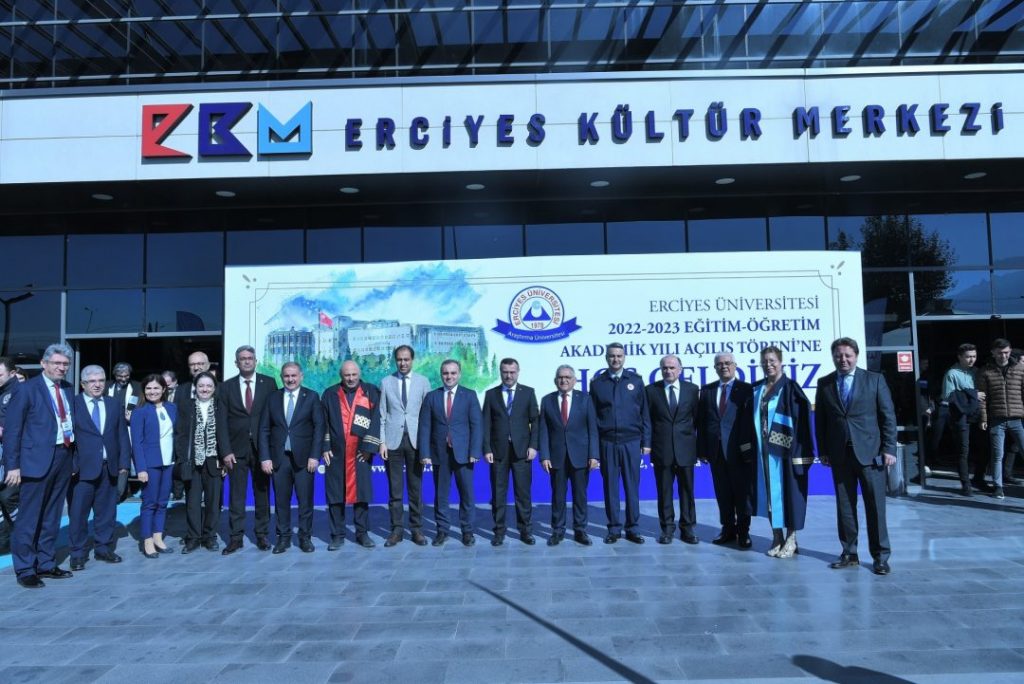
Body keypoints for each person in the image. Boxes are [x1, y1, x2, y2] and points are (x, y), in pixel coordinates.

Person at [816, 337, 898, 576]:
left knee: (875, 508)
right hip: (840, 455)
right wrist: (823, 450)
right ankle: (849, 553)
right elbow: (821, 421)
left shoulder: (874, 380)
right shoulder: (825, 383)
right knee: (845, 507)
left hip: (871, 455)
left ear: (856, 356)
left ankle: (880, 557)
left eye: (847, 355)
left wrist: (889, 448)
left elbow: (888, 417)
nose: (843, 360)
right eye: (838, 356)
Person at [3, 343, 77, 588]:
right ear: (44, 364)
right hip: (34, 461)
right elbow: (12, 430)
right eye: (56, 363)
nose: (61, 368)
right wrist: (13, 466)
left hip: (63, 455)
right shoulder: (26, 389)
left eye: (65, 364)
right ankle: (25, 568)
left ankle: (46, 563)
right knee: (29, 517)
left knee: (52, 515)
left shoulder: (67, 388)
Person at [746, 346, 814, 559]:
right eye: (765, 361)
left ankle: (791, 538)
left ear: (781, 362)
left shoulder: (791, 388)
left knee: (790, 495)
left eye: (772, 360)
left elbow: (802, 425)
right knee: (769, 495)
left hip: (786, 452)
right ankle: (776, 536)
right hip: (763, 453)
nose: (768, 365)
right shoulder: (757, 389)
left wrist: (800, 453)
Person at [68, 365, 131, 570]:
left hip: (108, 468)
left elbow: (122, 435)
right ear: (83, 384)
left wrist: (123, 464)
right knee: (78, 514)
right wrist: (72, 465)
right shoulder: (73, 404)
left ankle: (103, 548)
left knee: (106, 513)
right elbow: (67, 437)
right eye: (92, 381)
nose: (97, 385)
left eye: (101, 381)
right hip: (81, 470)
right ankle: (77, 553)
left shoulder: (113, 404)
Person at [259, 362, 324, 553]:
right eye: (286, 376)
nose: (290, 379)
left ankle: (305, 538)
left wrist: (315, 456)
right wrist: (265, 457)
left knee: (305, 501)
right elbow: (264, 429)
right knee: (281, 501)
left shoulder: (311, 397)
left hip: (304, 459)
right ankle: (283, 538)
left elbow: (319, 428)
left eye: (294, 375)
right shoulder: (272, 398)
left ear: (301, 376)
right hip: (279, 459)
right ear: (281, 377)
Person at [589, 342, 651, 544]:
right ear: (606, 358)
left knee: (632, 487)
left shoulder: (636, 381)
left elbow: (645, 413)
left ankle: (633, 528)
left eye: (619, 356)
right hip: (607, 442)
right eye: (612, 356)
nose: (615, 359)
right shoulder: (597, 384)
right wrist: (594, 449)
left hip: (631, 442)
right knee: (610, 488)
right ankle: (614, 529)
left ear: (624, 357)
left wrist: (646, 441)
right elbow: (593, 418)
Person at [219, 345, 276, 554]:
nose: (246, 361)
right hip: (235, 450)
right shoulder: (226, 387)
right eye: (242, 358)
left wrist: (271, 449)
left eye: (250, 358)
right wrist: (225, 451)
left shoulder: (268, 383)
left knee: (262, 493)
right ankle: (236, 538)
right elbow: (221, 422)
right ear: (236, 363)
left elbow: (274, 416)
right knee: (236, 495)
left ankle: (262, 535)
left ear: (255, 361)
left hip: (262, 450)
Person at [418, 359, 482, 547]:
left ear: (459, 374)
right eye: (446, 373)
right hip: (439, 454)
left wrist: (475, 451)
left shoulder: (469, 395)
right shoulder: (431, 397)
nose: (449, 376)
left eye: (453, 373)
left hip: (464, 454)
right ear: (441, 375)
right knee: (441, 496)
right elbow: (425, 427)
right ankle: (442, 531)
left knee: (466, 495)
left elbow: (477, 425)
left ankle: (467, 531)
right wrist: (425, 453)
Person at [322, 360, 382, 549]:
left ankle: (362, 534)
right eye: (347, 375)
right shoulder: (330, 394)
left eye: (354, 374)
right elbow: (323, 422)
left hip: (360, 453)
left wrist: (369, 448)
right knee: (335, 496)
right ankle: (337, 535)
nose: (350, 378)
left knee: (361, 495)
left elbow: (377, 419)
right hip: (336, 453)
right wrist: (325, 446)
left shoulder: (370, 392)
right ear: (341, 375)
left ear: (359, 374)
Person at [697, 352, 754, 549]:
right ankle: (728, 528)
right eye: (719, 364)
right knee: (723, 493)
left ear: (735, 365)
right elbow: (702, 422)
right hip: (716, 452)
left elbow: (750, 422)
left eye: (728, 363)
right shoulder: (707, 390)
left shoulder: (747, 389)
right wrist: (702, 449)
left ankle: (744, 532)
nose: (724, 366)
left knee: (742, 493)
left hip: (739, 451)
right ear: (715, 368)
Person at [538, 365, 599, 546]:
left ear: (574, 380)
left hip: (580, 456)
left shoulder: (585, 399)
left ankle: (580, 531)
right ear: (555, 380)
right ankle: (557, 530)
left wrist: (594, 455)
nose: (563, 380)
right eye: (560, 377)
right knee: (558, 496)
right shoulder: (547, 400)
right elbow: (543, 431)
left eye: (567, 377)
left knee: (580, 496)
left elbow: (592, 429)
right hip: (556, 457)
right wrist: (544, 456)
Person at [482, 358, 539, 546]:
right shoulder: (491, 394)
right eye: (505, 372)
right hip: (498, 452)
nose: (509, 376)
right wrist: (487, 448)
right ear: (500, 372)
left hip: (522, 452)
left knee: (523, 494)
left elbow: (535, 422)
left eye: (512, 372)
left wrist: (533, 446)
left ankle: (525, 531)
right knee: (498, 494)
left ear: (518, 372)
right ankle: (499, 532)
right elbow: (485, 424)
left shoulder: (528, 393)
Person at [378, 345, 431, 547]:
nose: (403, 363)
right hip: (392, 442)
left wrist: (426, 445)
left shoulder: (423, 382)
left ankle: (416, 529)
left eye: (406, 359)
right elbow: (382, 414)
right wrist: (382, 442)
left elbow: (428, 415)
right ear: (395, 360)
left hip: (416, 442)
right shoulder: (386, 382)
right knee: (395, 490)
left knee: (415, 488)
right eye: (399, 359)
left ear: (412, 360)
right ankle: (397, 530)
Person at [646, 354, 700, 545]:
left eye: (672, 367)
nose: (668, 371)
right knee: (664, 492)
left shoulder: (692, 390)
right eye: (665, 368)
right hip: (662, 450)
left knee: (687, 491)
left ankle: (688, 529)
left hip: (686, 449)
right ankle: (667, 529)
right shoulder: (651, 391)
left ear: (680, 369)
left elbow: (696, 419)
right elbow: (648, 421)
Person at [175, 371, 230, 554]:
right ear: (195, 388)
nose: (205, 389)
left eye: (208, 386)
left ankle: (209, 536)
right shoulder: (186, 406)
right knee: (192, 501)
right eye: (201, 386)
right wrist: (182, 458)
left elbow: (226, 434)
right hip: (192, 461)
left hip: (215, 461)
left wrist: (225, 458)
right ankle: (193, 537)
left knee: (213, 502)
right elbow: (180, 434)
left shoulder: (221, 406)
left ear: (214, 388)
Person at [131, 373, 178, 559]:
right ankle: (147, 540)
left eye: (156, 388)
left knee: (163, 502)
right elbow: (136, 443)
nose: (152, 391)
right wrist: (141, 468)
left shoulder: (172, 408)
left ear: (164, 389)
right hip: (150, 464)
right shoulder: (140, 412)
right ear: (144, 390)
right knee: (149, 503)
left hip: (169, 463)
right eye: (148, 388)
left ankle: (158, 538)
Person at [932, 344, 984, 496]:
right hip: (960, 417)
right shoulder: (952, 373)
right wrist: (973, 394)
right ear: (960, 357)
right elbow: (948, 396)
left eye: (974, 356)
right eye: (968, 357)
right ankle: (966, 484)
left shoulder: (977, 371)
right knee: (963, 451)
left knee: (984, 448)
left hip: (978, 415)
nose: (971, 360)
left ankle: (979, 478)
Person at [975, 338, 1024, 500]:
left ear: (1010, 351)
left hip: (1018, 418)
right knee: (997, 455)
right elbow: (982, 398)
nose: (1003, 356)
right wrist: (983, 418)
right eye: (1000, 353)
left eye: (1006, 352)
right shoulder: (985, 371)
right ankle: (998, 486)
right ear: (993, 353)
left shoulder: (1020, 368)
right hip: (997, 419)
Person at [0, 356, 22, 554]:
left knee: (9, 497)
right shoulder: (2, 392)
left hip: (16, 457)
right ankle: (4, 541)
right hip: (3, 455)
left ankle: (23, 535)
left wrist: (3, 430)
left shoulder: (19, 392)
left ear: (12, 373)